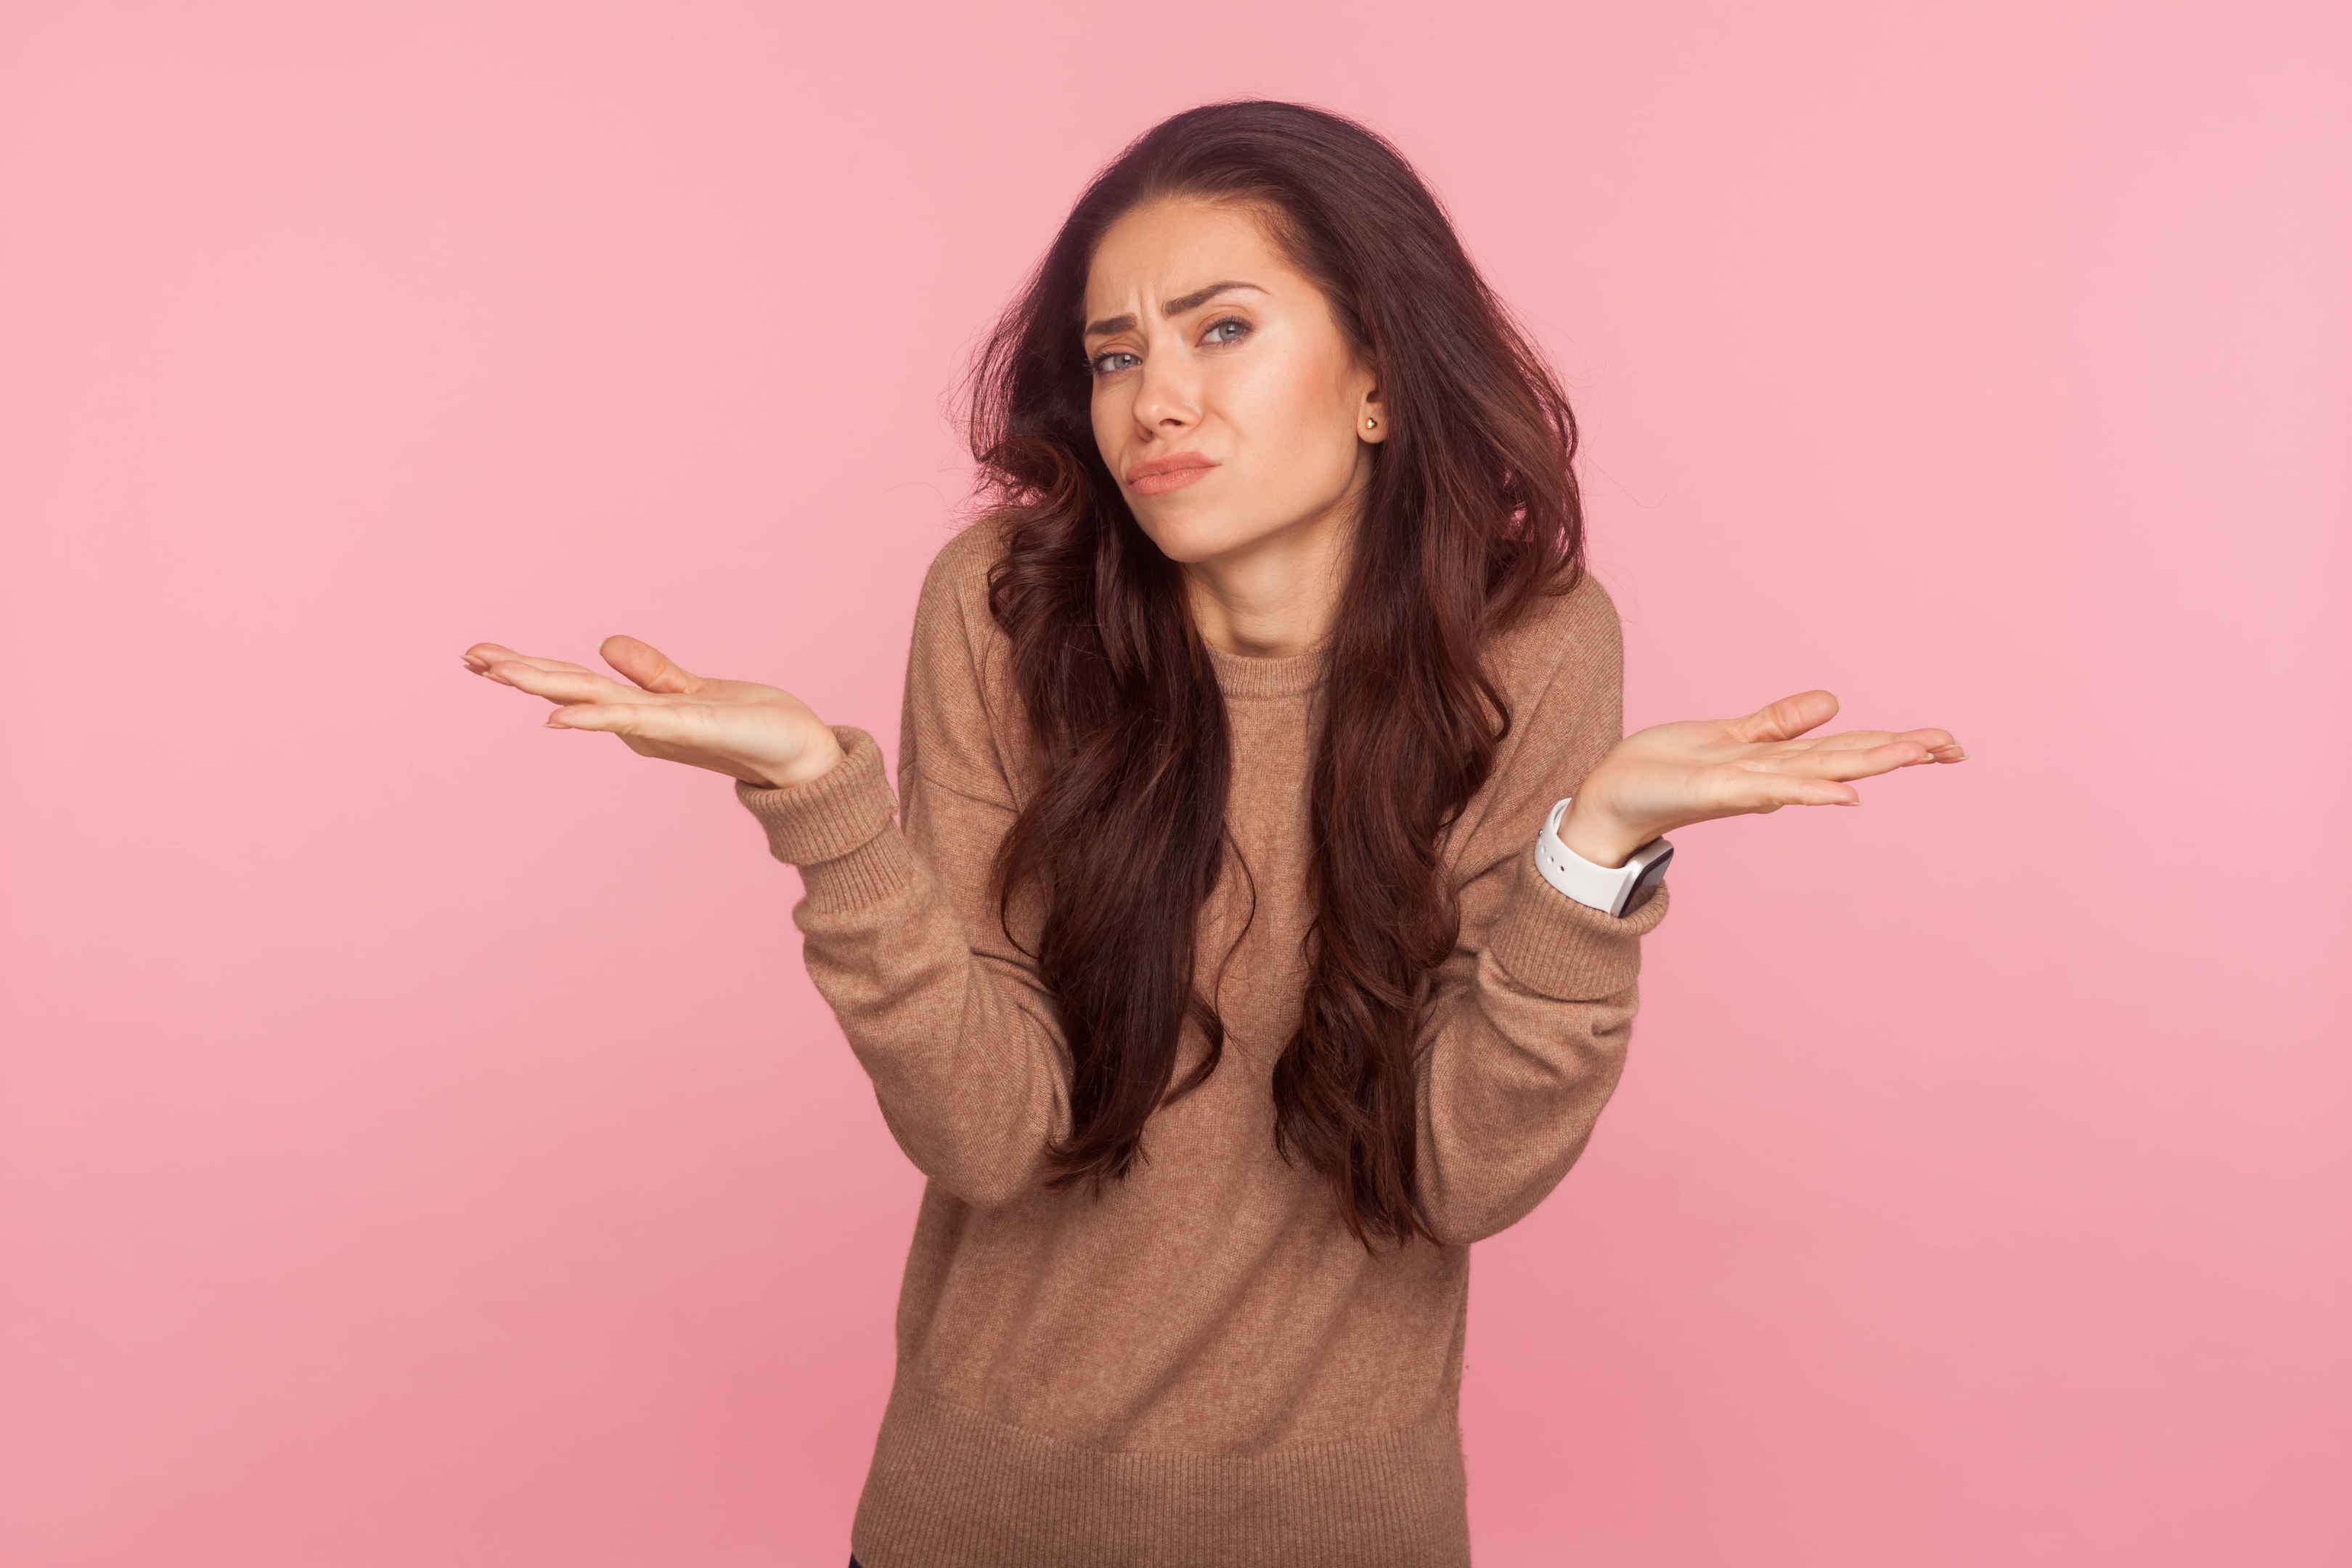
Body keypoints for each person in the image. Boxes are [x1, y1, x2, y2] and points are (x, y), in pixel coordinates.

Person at [462, 100, 1962, 1568]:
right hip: (978, 1520)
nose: (1153, 400)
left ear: (1378, 377)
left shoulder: (1534, 650)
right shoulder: (1007, 608)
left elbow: (1459, 1173)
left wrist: (1595, 857)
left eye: (1221, 328)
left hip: (1348, 1532)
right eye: (1115, 354)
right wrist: (826, 812)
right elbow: (991, 1134)